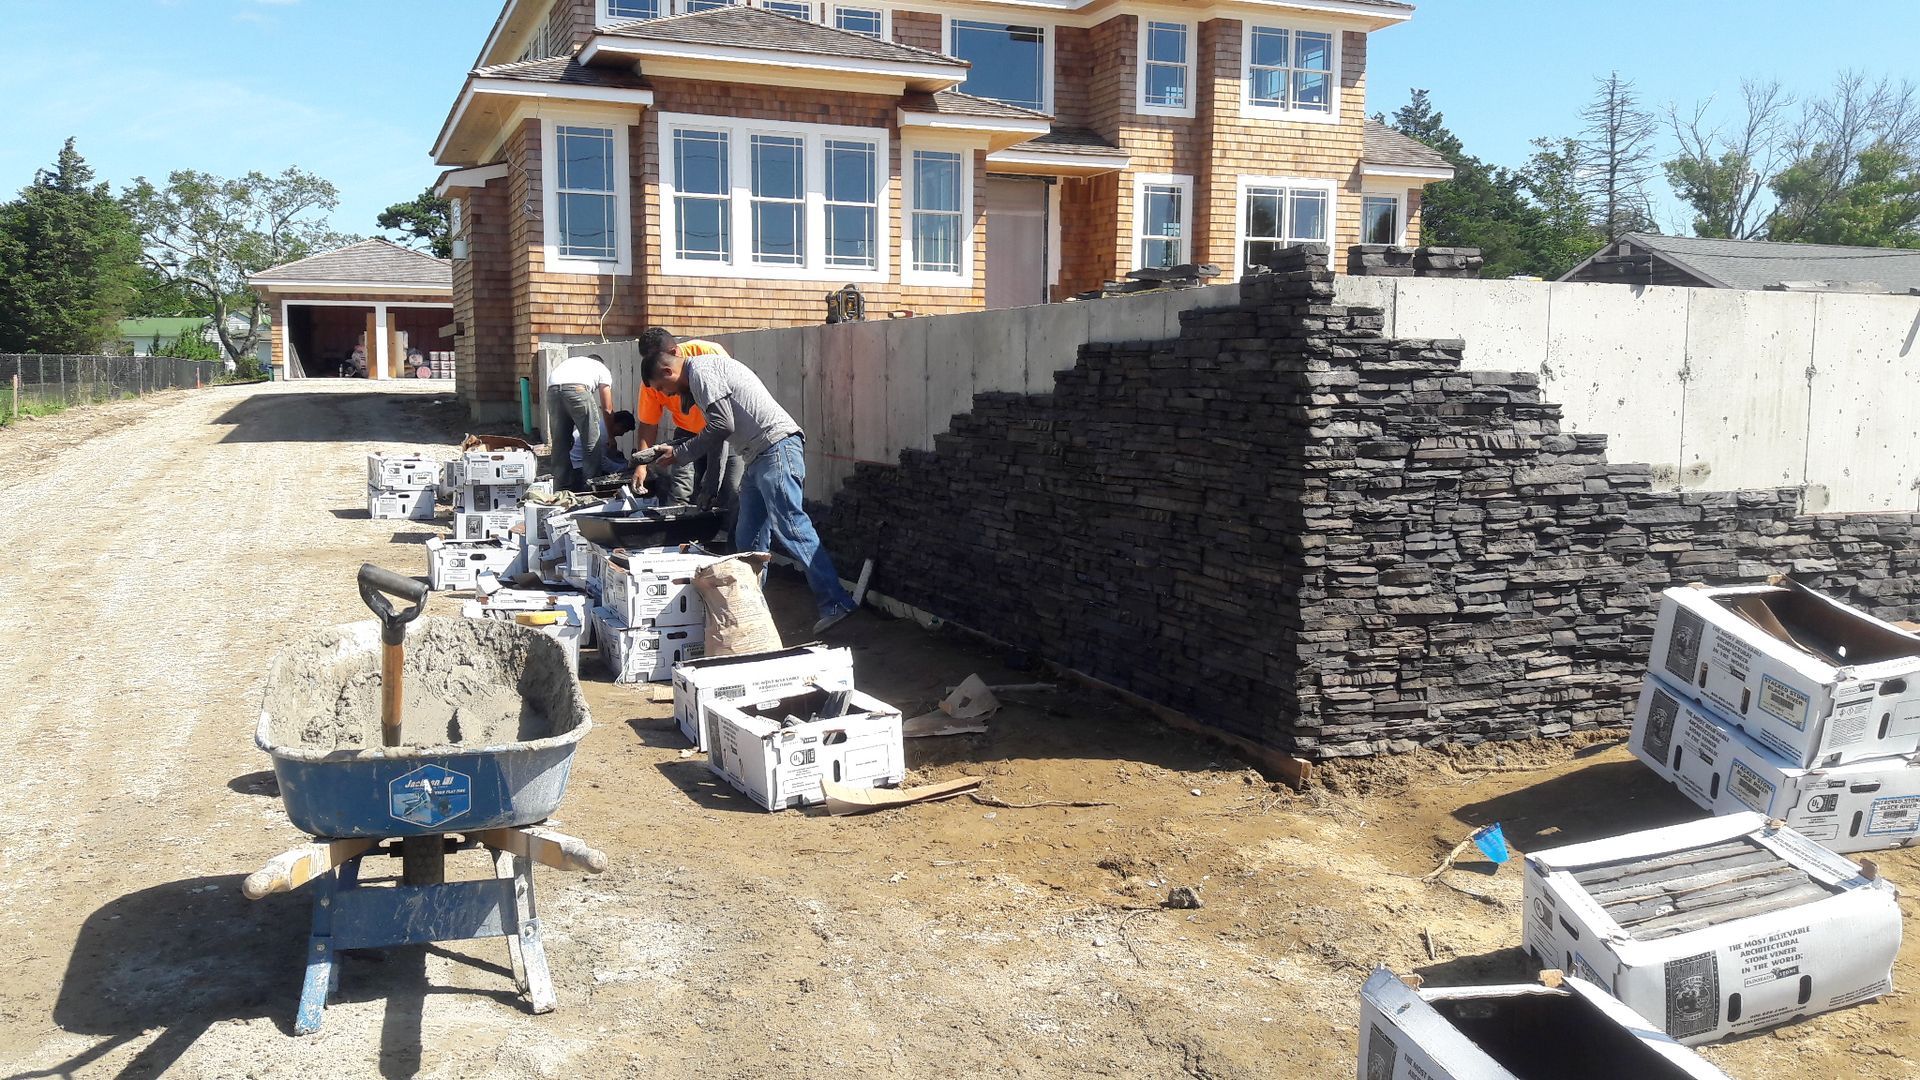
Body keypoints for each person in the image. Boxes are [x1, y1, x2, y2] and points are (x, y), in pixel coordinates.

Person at [640, 327, 856, 635]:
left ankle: (836, 602)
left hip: (776, 447)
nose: (668, 395)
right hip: (758, 456)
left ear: (668, 369)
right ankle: (752, 610)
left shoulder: (702, 372)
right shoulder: (702, 377)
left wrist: (679, 452)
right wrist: (709, 489)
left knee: (792, 526)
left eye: (664, 387)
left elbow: (721, 426)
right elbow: (718, 436)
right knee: (749, 539)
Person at [634, 328, 743, 517]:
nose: (666, 393)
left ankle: (727, 536)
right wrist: (642, 464)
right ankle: (687, 534)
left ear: (673, 355)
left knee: (731, 490)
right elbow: (648, 423)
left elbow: (724, 422)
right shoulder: (652, 380)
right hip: (688, 431)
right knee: (682, 491)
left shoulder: (707, 354)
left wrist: (712, 479)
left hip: (724, 431)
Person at [544, 351, 615, 493]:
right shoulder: (601, 368)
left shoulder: (572, 363)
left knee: (560, 443)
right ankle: (591, 488)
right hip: (577, 389)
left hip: (552, 390)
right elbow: (607, 408)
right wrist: (611, 436)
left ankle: (561, 488)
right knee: (591, 442)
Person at [573, 410, 636, 479]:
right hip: (578, 467)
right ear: (619, 425)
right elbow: (602, 463)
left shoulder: (602, 425)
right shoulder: (602, 433)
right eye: (623, 431)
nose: (622, 434)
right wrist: (625, 467)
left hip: (580, 462)